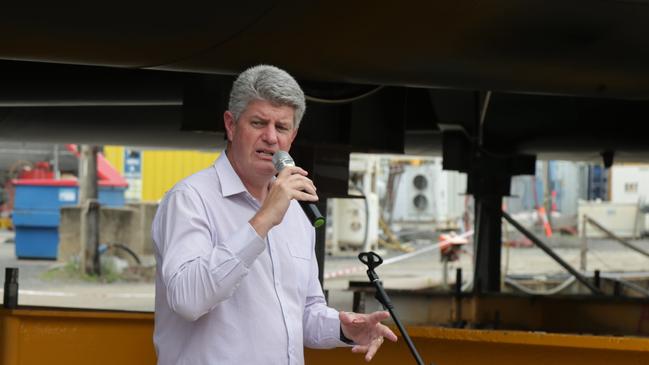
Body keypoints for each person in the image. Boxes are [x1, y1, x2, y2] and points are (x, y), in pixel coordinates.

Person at [152, 65, 397, 364]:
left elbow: (303, 312)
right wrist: (263, 220)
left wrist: (344, 329)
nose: (271, 138)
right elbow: (188, 300)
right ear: (231, 125)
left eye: (281, 128)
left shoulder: (295, 209)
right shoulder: (190, 199)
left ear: (292, 137)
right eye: (258, 123)